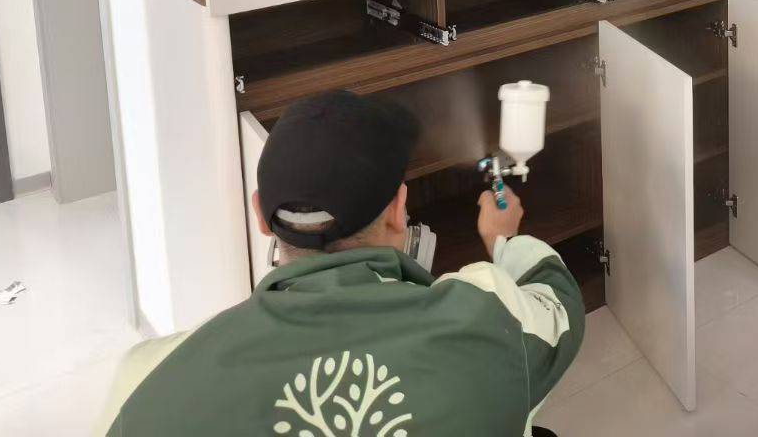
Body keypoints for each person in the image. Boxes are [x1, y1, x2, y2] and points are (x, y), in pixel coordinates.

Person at [95, 89, 584, 436]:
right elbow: (558, 297)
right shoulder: (489, 315)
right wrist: (502, 240)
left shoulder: (145, 376)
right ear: (398, 210)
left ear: (261, 216)